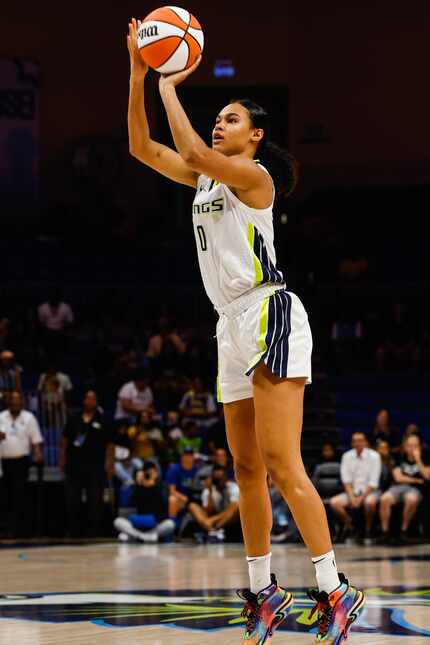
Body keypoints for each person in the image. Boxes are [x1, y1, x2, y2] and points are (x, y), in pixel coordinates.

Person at [127, 18, 365, 643]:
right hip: (227, 324)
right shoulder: (207, 176)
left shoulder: (252, 178)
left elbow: (198, 152)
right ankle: (264, 590)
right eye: (222, 116)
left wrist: (170, 85)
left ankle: (335, 590)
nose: (221, 124)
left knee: (286, 464)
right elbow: (142, 149)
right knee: (246, 467)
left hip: (270, 312)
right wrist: (137, 76)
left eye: (232, 118)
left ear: (255, 136)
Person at [60, 390, 115, 537]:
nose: (90, 401)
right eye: (87, 398)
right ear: (83, 400)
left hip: (95, 466)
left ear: (97, 402)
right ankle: (73, 531)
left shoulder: (103, 420)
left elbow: (110, 445)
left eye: (93, 399)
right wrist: (62, 459)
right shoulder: (73, 418)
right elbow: (64, 440)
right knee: (72, 499)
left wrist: (111, 464)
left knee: (95, 500)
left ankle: (94, 532)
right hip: (74, 465)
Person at [0, 390, 43, 537]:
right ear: (9, 403)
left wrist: (37, 453)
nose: (15, 403)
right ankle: (4, 529)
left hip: (20, 462)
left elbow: (36, 440)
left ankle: (16, 530)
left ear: (22, 403)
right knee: (4, 496)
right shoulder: (1, 417)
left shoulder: (29, 418)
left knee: (18, 496)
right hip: (3, 462)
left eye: (18, 401)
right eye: (12, 401)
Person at [330, 432, 381, 544]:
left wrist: (361, 498)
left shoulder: (374, 456)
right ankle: (351, 526)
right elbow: (346, 480)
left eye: (360, 440)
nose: (358, 443)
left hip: (370, 491)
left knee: (370, 503)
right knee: (335, 503)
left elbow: (373, 482)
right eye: (355, 441)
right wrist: (352, 497)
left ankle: (368, 529)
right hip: (352, 492)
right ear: (352, 443)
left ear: (365, 442)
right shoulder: (346, 456)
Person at [379, 434, 430, 544]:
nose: (412, 448)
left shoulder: (426, 457)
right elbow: (398, 477)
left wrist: (418, 460)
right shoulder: (398, 456)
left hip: (415, 490)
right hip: (398, 487)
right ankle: (385, 532)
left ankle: (404, 531)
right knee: (384, 499)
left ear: (420, 447)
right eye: (410, 445)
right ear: (405, 446)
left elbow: (427, 476)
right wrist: (417, 480)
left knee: (411, 499)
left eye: (415, 446)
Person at [114, 460, 175, 543]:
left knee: (170, 524)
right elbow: (130, 506)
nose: (148, 475)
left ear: (156, 473)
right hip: (137, 524)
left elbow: (164, 510)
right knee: (118, 522)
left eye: (151, 473)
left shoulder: (161, 487)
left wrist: (152, 485)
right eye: (147, 473)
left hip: (154, 525)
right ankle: (143, 537)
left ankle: (135, 536)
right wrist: (138, 484)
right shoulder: (137, 487)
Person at [188, 464, 239, 542]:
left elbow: (233, 509)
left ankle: (215, 529)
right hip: (212, 517)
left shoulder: (233, 487)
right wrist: (210, 492)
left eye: (221, 477)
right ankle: (213, 531)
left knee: (236, 505)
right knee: (192, 506)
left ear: (225, 477)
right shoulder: (208, 490)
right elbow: (208, 511)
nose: (219, 480)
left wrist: (212, 520)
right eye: (217, 479)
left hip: (227, 519)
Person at [165, 448, 199, 519]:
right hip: (181, 498)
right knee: (172, 499)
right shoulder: (174, 469)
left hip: (195, 497)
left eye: (190, 456)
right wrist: (184, 497)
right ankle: (171, 524)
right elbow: (172, 490)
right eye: (186, 455)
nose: (188, 458)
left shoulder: (198, 469)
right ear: (182, 457)